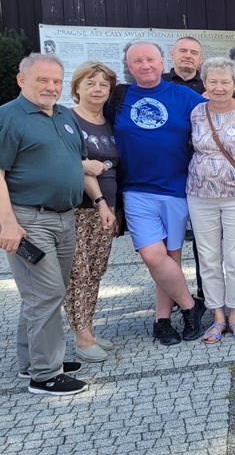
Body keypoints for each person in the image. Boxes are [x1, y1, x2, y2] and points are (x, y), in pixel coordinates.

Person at [1, 53, 113, 395]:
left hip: (66, 217)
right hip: (28, 218)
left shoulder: (64, 115)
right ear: (22, 80)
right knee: (46, 293)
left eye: (56, 81)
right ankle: (45, 374)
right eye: (42, 80)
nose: (51, 87)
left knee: (44, 293)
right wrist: (7, 224)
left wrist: (99, 201)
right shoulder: (8, 117)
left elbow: (77, 162)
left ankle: (31, 361)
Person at [109, 41, 209, 345]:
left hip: (176, 188)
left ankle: (162, 320)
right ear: (129, 66)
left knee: (170, 257)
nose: (145, 65)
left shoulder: (183, 95)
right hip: (135, 189)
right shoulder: (118, 97)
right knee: (153, 256)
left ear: (162, 61)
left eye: (150, 59)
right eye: (137, 61)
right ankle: (191, 305)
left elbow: (218, 108)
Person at [187, 58, 235, 344]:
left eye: (225, 82)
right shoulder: (196, 112)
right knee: (208, 257)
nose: (219, 87)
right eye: (213, 81)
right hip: (199, 194)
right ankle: (217, 316)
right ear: (205, 84)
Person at [65, 62, 121, 363]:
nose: (97, 89)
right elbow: (76, 163)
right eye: (90, 83)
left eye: (103, 84)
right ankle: (82, 338)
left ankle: (88, 327)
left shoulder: (108, 121)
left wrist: (110, 208)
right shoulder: (68, 119)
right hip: (78, 209)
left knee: (96, 272)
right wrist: (99, 201)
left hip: (105, 211)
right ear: (77, 87)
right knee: (78, 273)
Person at [164, 36, 206, 301]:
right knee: (171, 244)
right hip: (170, 173)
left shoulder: (210, 86)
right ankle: (176, 298)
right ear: (172, 54)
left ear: (201, 59)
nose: (188, 55)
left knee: (204, 243)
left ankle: (205, 294)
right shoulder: (159, 85)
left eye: (194, 52)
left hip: (203, 175)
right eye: (183, 51)